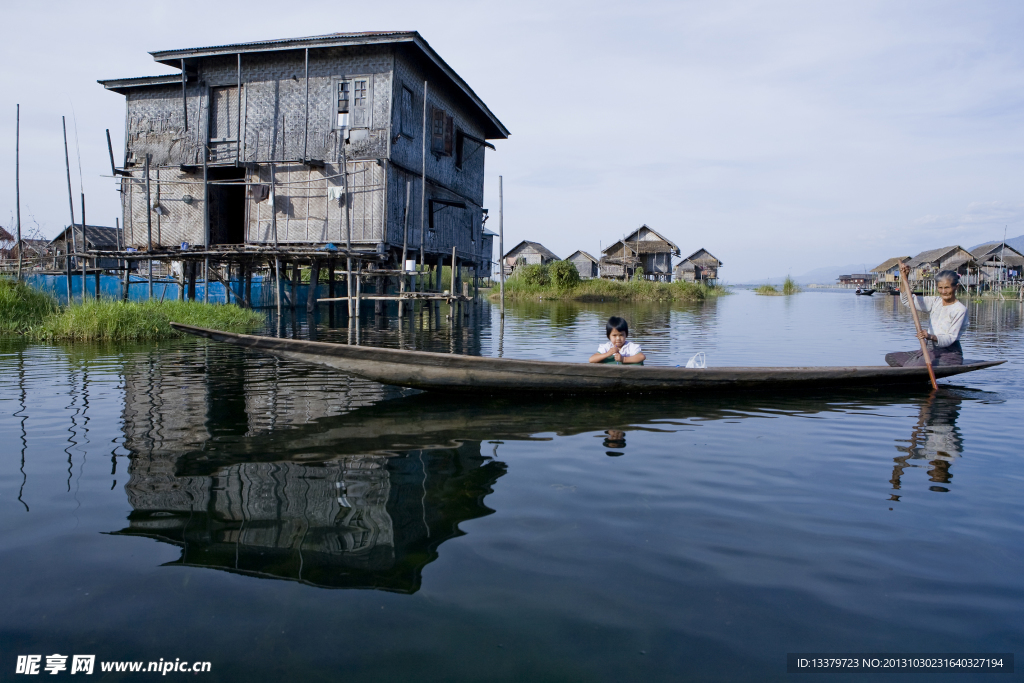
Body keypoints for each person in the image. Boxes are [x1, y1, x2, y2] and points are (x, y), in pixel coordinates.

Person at [885, 264, 968, 367]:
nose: (943, 291)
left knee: (912, 366)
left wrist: (929, 336)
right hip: (929, 350)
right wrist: (904, 278)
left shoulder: (960, 309)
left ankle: (914, 369)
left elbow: (950, 338)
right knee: (891, 357)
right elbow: (908, 301)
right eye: (940, 288)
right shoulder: (935, 302)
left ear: (956, 287)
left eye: (947, 287)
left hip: (949, 355)